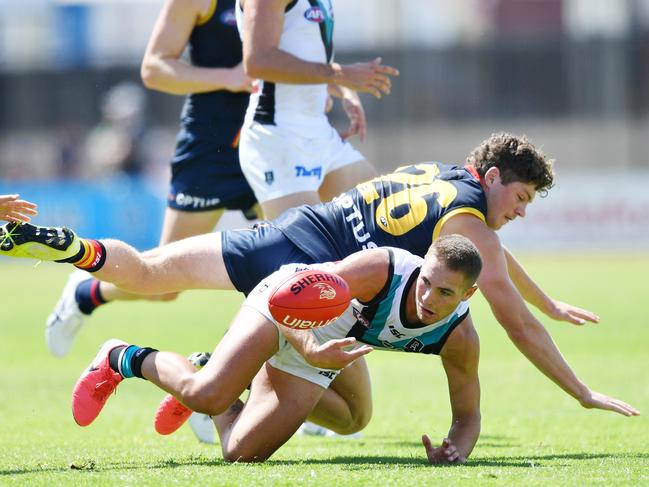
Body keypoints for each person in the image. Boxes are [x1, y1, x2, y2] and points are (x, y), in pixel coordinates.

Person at [0, 133, 632, 416]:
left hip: (293, 234)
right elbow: (510, 320)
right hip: (317, 286)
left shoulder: (447, 177)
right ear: (493, 179)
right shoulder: (472, 225)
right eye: (520, 198)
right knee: (353, 414)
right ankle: (197, 377)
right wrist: (580, 392)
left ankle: (64, 248)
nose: (520, 213)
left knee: (148, 271)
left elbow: (492, 251)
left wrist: (545, 299)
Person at [72, 237, 487, 463]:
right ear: (422, 265)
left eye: (445, 291)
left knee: (246, 451)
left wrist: (456, 451)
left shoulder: (460, 338)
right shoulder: (383, 271)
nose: (427, 296)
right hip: (286, 306)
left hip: (327, 343)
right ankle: (121, 357)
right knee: (205, 395)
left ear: (468, 293)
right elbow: (293, 296)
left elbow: (467, 415)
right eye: (426, 281)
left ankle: (216, 367)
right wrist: (309, 349)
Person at [45, 0, 258, 359]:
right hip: (212, 151)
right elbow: (154, 68)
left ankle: (230, 385)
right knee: (163, 283)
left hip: (275, 145)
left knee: (293, 272)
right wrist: (229, 77)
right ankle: (87, 291)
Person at [235, 0, 400, 220]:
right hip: (277, 139)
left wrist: (344, 90)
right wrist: (341, 74)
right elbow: (258, 61)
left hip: (319, 134)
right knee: (304, 249)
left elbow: (303, 56)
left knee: (382, 218)